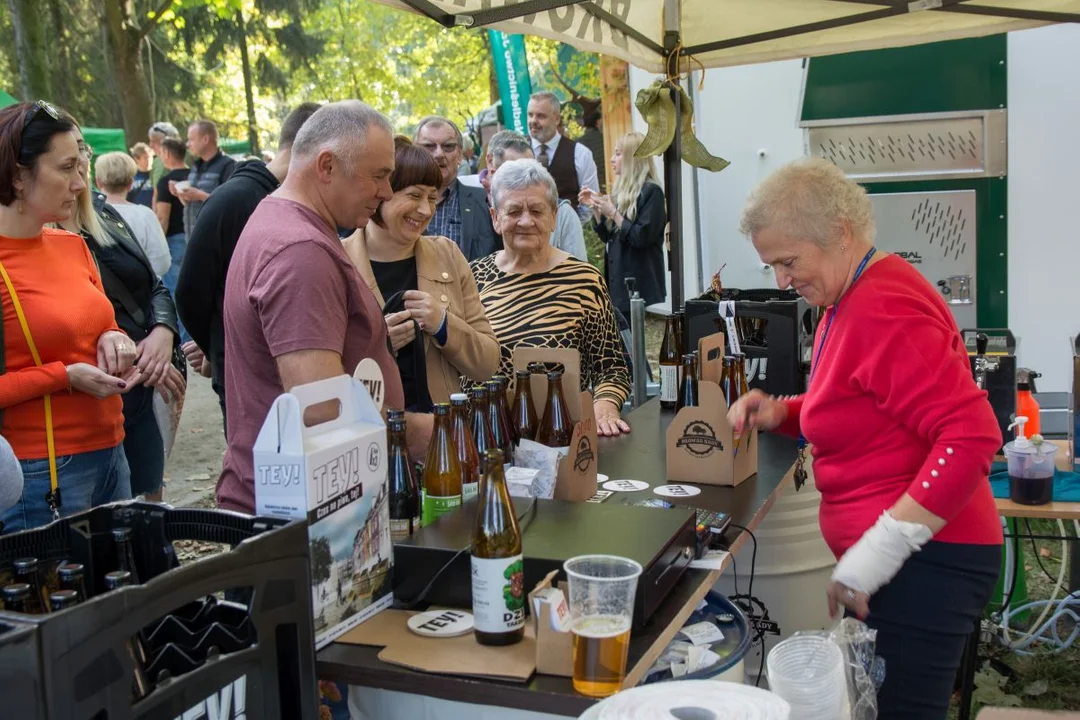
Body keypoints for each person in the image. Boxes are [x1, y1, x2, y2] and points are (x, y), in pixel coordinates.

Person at [728, 158, 1002, 719]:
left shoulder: (881, 305)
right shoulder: (845, 296)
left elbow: (970, 435)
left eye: (788, 260)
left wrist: (877, 553)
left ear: (840, 233)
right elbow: (857, 402)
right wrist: (782, 412)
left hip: (931, 563)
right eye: (772, 265)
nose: (781, 280)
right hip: (913, 565)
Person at [219, 100, 432, 515]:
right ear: (327, 166)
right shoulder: (301, 251)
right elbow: (321, 411)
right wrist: (426, 432)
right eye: (380, 176)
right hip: (301, 515)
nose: (387, 191)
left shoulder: (285, 221)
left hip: (303, 500)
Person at [0, 101, 133, 531]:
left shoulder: (71, 245)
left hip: (113, 451)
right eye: (66, 168)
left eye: (82, 166)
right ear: (19, 176)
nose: (80, 183)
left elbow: (100, 323)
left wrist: (115, 337)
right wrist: (64, 376)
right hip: (40, 474)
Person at [59, 116, 184, 504]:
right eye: (69, 155)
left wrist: (162, 333)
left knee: (150, 507)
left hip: (143, 386)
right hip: (87, 404)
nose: (80, 159)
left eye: (83, 149)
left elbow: (155, 284)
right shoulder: (34, 237)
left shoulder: (104, 213)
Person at [176, 102, 321, 430]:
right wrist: (217, 347)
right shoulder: (236, 199)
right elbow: (190, 292)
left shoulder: (277, 197)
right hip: (243, 376)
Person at [472, 159, 630, 437]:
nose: (526, 221)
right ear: (496, 217)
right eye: (513, 211)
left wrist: (605, 406)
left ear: (554, 217)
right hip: (489, 436)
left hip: (563, 435)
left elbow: (611, 367)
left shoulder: (584, 282)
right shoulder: (473, 278)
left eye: (536, 210)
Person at [342, 137, 499, 410]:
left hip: (440, 438)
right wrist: (377, 346)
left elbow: (487, 364)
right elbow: (317, 372)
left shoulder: (448, 255)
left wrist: (443, 325)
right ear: (381, 193)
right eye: (414, 195)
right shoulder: (337, 261)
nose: (425, 210)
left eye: (432, 197)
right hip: (369, 439)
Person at [579, 132, 666, 320]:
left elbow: (641, 238)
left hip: (637, 281)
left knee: (632, 338)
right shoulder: (620, 191)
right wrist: (597, 209)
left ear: (632, 158)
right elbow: (607, 237)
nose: (612, 159)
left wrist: (613, 213)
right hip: (618, 279)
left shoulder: (652, 192)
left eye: (618, 154)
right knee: (623, 337)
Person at [485, 130, 587, 261]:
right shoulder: (474, 207)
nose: (526, 222)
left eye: (532, 171)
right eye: (514, 173)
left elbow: (578, 270)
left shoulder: (563, 213)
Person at [414, 116, 499, 261]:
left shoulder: (485, 200)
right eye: (429, 147)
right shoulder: (396, 201)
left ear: (459, 154)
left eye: (448, 147)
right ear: (414, 153)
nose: (439, 154)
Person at [95, 151, 172, 277]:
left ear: (98, 182)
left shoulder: (89, 216)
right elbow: (162, 264)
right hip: (141, 290)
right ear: (130, 184)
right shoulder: (145, 216)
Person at [527, 92, 599, 221]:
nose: (533, 121)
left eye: (541, 116)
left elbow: (590, 203)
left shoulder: (580, 154)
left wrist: (569, 228)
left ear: (557, 119)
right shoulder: (517, 151)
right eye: (530, 115)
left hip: (566, 237)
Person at [177, 119, 236, 237]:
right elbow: (190, 204)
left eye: (191, 139)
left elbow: (231, 205)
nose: (188, 144)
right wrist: (181, 194)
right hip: (192, 237)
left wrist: (199, 195)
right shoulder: (196, 166)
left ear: (205, 139)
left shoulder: (228, 166)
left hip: (214, 239)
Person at [154, 137, 189, 297]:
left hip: (175, 240)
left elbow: (163, 217)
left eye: (161, 153)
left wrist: (157, 244)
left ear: (167, 154)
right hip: (197, 235)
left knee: (176, 292)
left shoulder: (166, 182)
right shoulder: (195, 177)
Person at [147, 121, 180, 198]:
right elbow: (155, 192)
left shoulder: (187, 157)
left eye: (154, 141)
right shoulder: (156, 161)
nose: (150, 145)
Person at [577, 109, 606, 192]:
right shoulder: (605, 139)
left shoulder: (577, 143)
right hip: (606, 183)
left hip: (586, 189)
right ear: (597, 122)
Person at [127, 142, 155, 207]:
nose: (149, 160)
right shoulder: (131, 176)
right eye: (145, 158)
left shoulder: (156, 175)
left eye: (150, 157)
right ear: (137, 159)